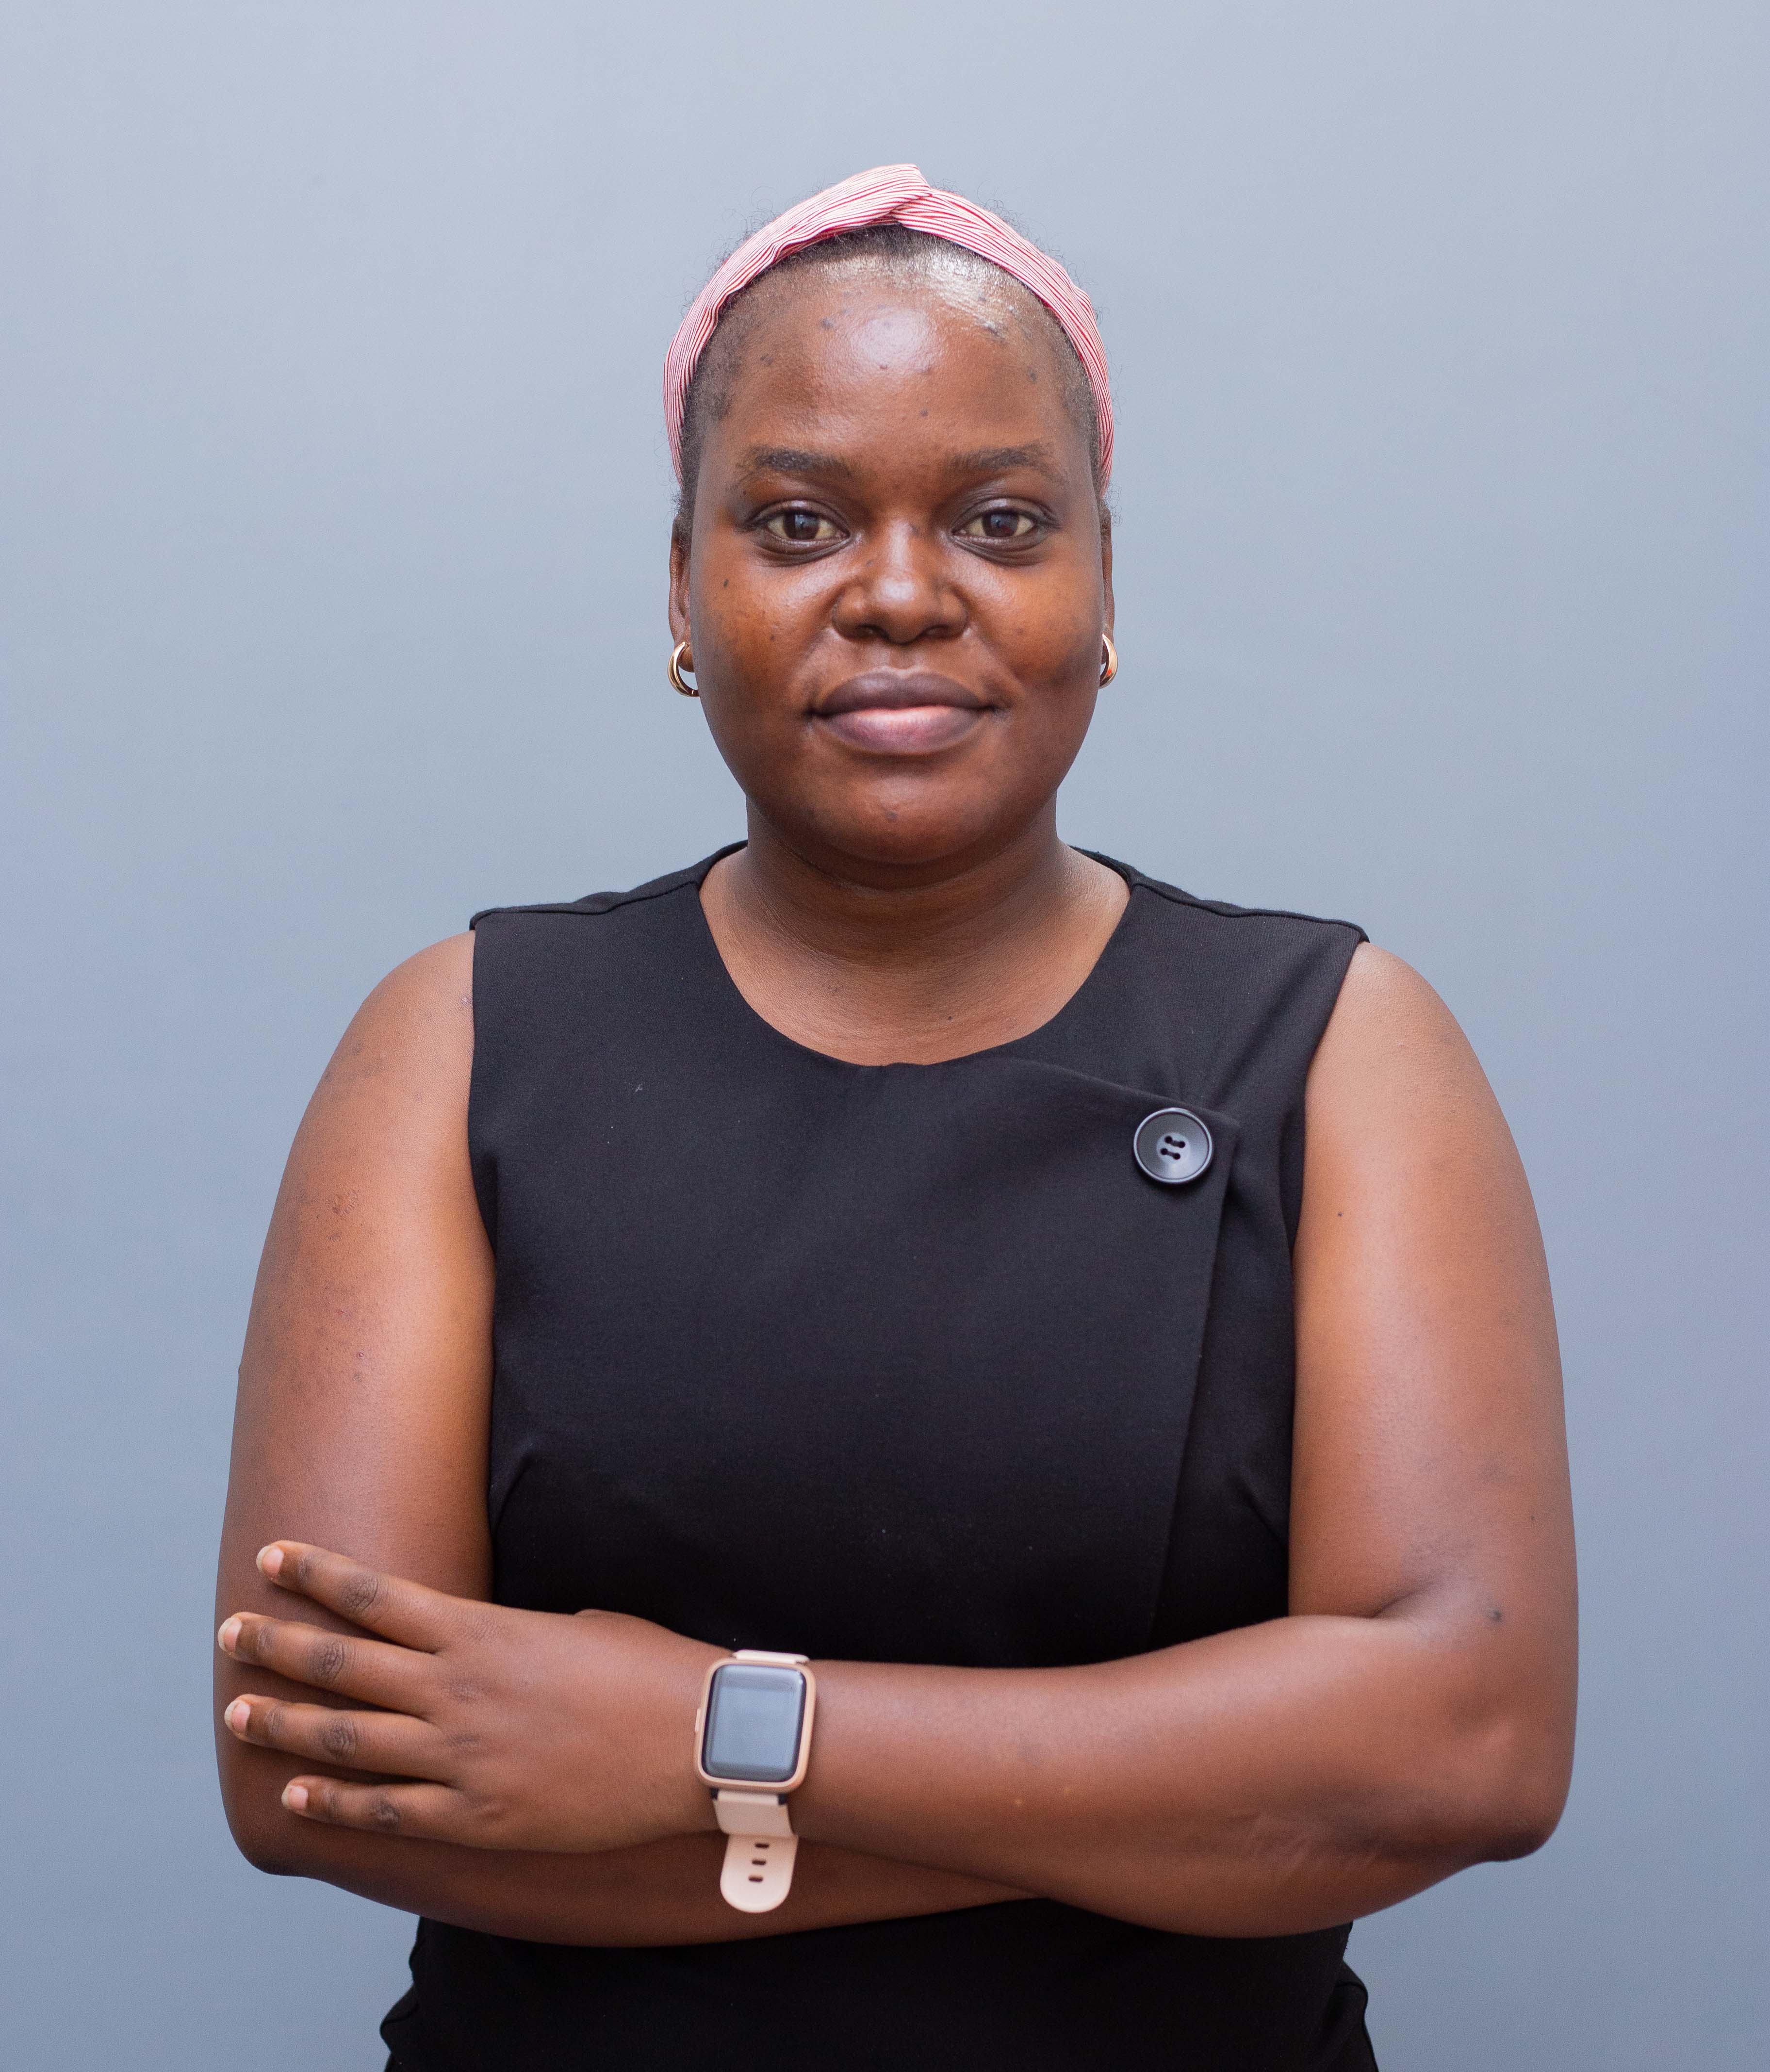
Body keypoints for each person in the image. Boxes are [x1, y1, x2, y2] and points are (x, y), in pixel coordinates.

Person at [213, 165, 1576, 2071]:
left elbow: (1472, 1744)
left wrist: (698, 1740)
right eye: (798, 521)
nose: (905, 592)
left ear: (1105, 583)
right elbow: (318, 1774)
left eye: (1003, 520)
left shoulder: (1338, 1045)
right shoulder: (456, 1040)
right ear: (681, 589)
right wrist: (1162, 1813)